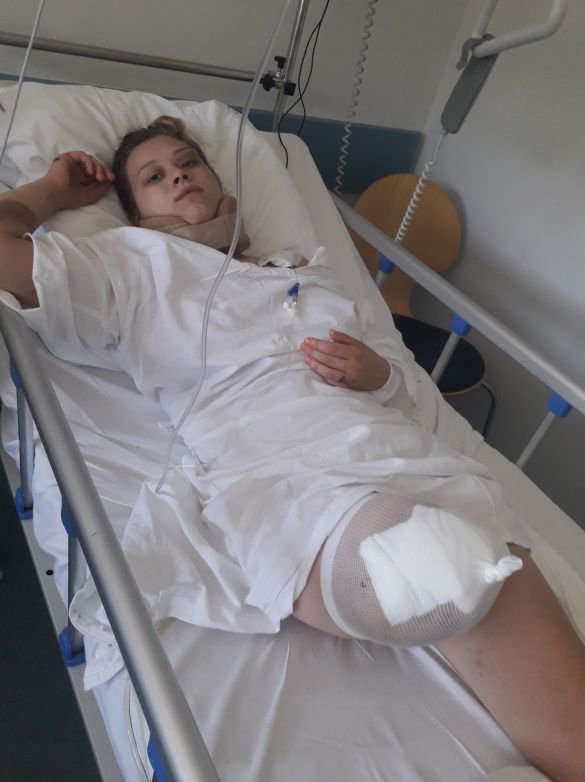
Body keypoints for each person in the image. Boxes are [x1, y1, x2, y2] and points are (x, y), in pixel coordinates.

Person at [0, 117, 583, 782]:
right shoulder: (127, 265)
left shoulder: (305, 270)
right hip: (287, 476)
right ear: (135, 211)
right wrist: (51, 192)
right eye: (154, 177)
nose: (179, 175)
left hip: (410, 461)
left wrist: (380, 375)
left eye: (188, 162)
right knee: (431, 563)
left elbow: (397, 392)